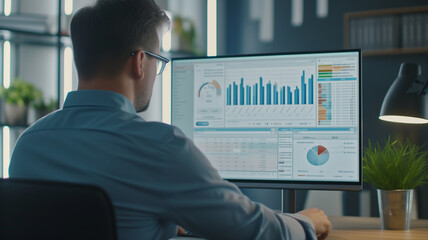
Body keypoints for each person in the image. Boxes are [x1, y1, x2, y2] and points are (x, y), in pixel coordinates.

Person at [9, 0, 331, 239]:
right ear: (139, 62)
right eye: (158, 60)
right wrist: (305, 223)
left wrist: (154, 219)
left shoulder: (27, 147)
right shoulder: (160, 147)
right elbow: (251, 228)